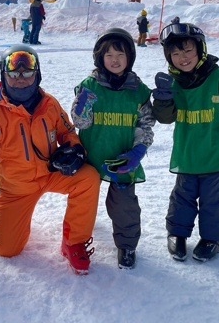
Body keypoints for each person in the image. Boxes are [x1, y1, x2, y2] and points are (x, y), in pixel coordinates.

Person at [0, 45, 101, 275]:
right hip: (17, 188)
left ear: (37, 74)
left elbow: (67, 131)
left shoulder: (48, 103)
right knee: (7, 250)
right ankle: (3, 217)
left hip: (51, 172)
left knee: (88, 178)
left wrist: (75, 149)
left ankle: (74, 242)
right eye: (13, 74)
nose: (20, 79)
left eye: (27, 73)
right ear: (4, 77)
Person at [151, 22, 219, 262]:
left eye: (187, 51)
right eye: (175, 54)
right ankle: (177, 233)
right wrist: (163, 98)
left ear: (200, 49)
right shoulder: (173, 84)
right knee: (182, 197)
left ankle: (213, 237)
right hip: (188, 154)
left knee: (212, 200)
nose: (182, 58)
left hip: (216, 154)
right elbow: (166, 119)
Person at [71, 29, 155, 269]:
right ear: (100, 58)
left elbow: (145, 125)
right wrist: (82, 107)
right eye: (109, 55)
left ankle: (127, 245)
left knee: (124, 205)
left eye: (121, 54)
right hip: (91, 157)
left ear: (130, 57)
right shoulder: (89, 86)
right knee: (84, 199)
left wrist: (138, 151)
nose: (115, 60)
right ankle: (77, 236)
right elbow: (80, 123)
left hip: (122, 160)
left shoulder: (138, 90)